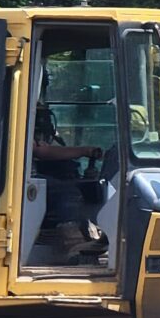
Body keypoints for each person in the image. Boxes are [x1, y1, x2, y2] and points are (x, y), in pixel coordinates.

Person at [31, 103, 106, 263]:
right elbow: (42, 152)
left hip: (30, 176)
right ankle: (72, 240)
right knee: (68, 193)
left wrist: (83, 152)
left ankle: (81, 233)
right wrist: (84, 151)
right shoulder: (14, 120)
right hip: (24, 179)